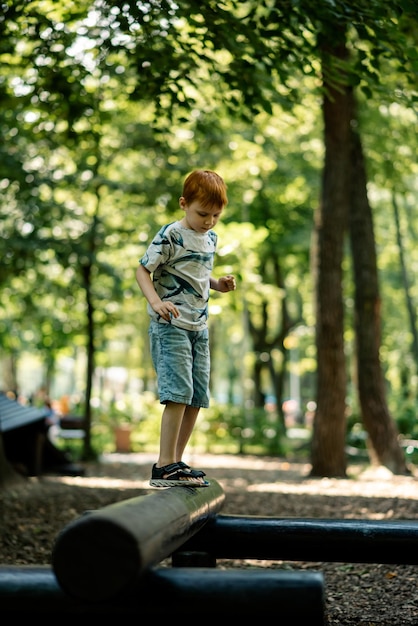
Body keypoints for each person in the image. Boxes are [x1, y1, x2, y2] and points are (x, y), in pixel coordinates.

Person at [136, 169, 236, 487]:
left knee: (196, 396)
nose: (208, 221)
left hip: (199, 326)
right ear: (184, 204)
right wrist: (155, 302)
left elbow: (196, 272)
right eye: (202, 213)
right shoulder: (171, 235)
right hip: (171, 325)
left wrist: (218, 284)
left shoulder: (211, 238)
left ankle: (176, 463)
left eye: (216, 215)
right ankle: (163, 464)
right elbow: (142, 270)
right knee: (178, 393)